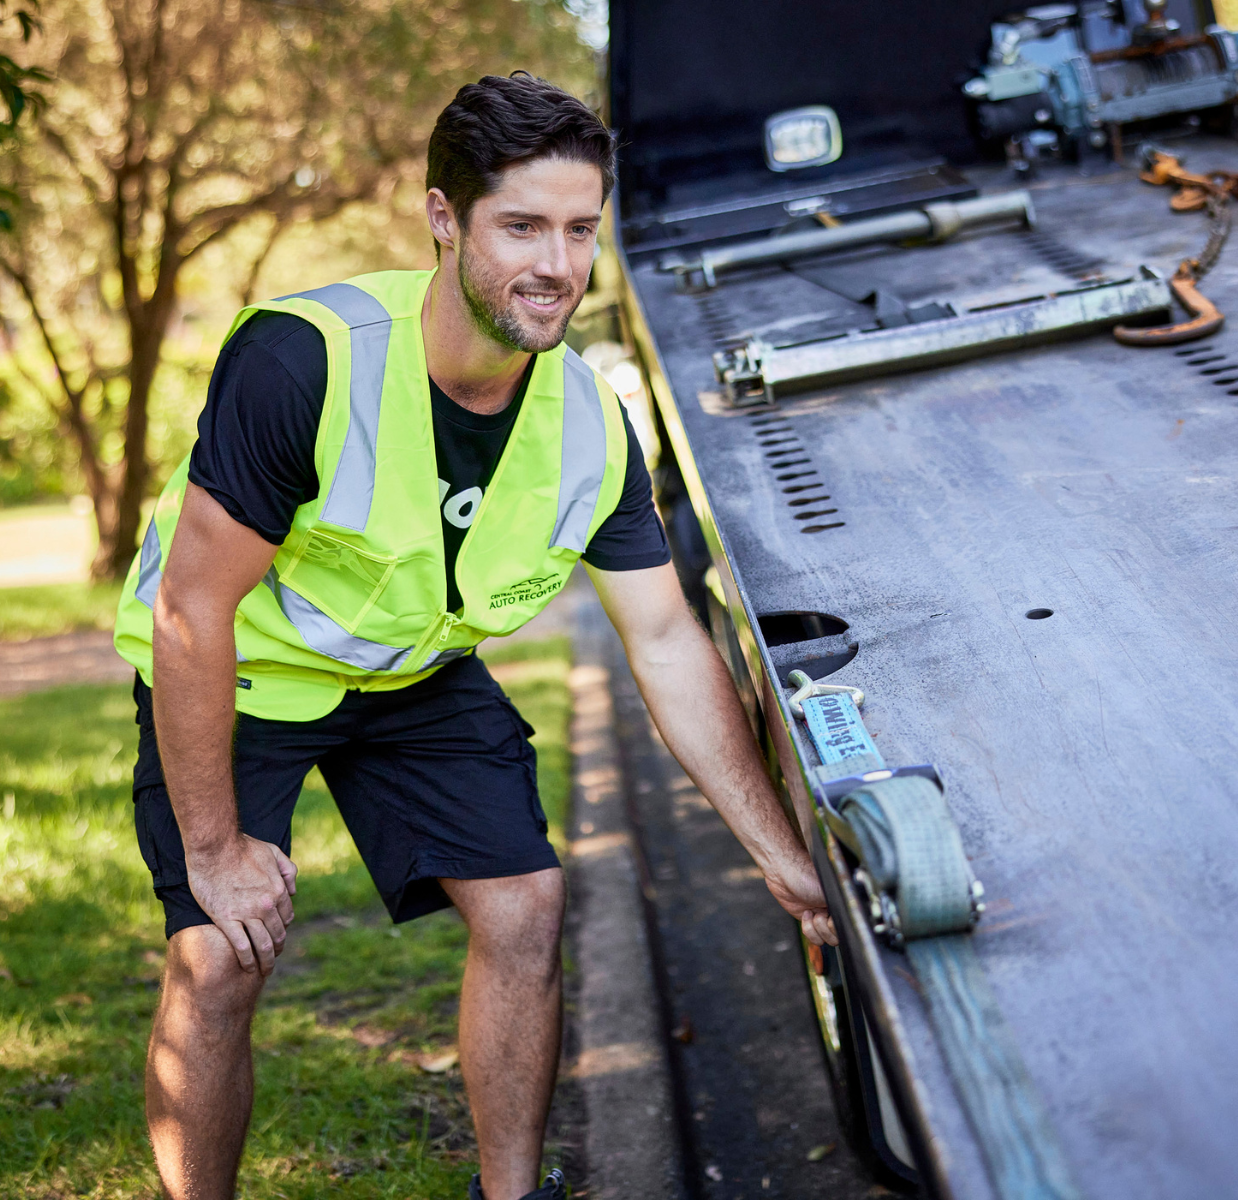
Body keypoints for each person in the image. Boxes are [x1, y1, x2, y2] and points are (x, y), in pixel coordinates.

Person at [112, 72, 837, 1200]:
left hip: (410, 673)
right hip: (241, 668)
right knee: (217, 959)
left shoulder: (593, 421)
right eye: (523, 226)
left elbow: (666, 641)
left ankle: (513, 1195)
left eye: (580, 230)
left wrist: (779, 856)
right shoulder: (307, 360)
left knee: (527, 905)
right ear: (445, 221)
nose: (557, 264)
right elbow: (193, 611)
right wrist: (216, 852)